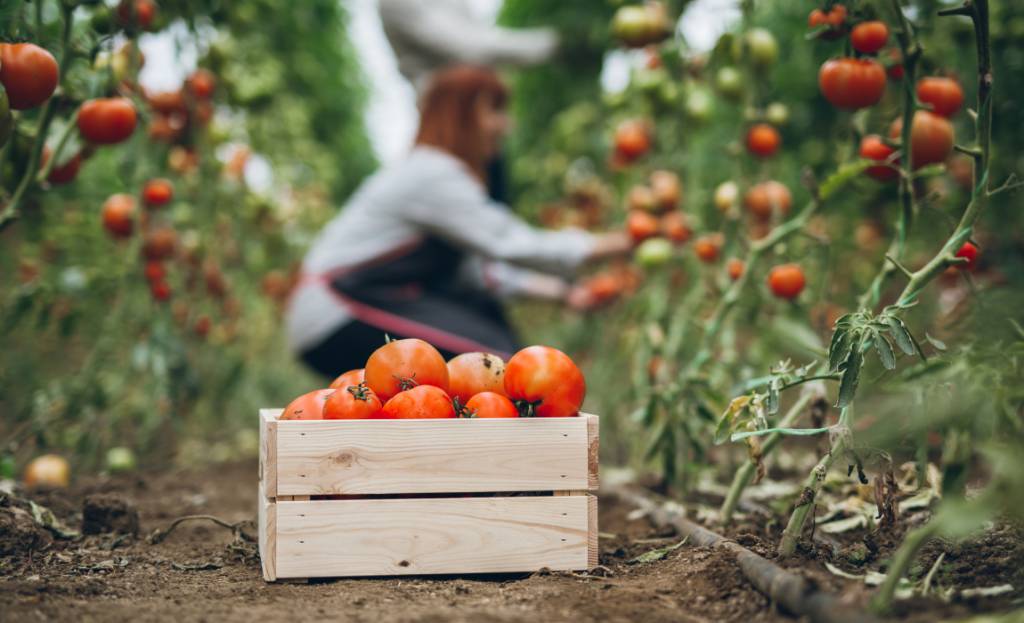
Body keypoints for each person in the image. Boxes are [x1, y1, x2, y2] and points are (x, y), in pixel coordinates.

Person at [286, 66, 630, 378]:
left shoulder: (430, 172)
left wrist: (565, 293)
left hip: (354, 304)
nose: (506, 125)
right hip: (339, 311)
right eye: (494, 110)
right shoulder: (433, 174)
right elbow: (511, 243)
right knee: (498, 368)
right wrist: (619, 241)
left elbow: (476, 273)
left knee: (494, 346)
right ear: (462, 115)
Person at [378, 0, 559, 202]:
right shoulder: (398, 3)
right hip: (450, 126)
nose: (508, 126)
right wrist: (553, 43)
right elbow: (468, 47)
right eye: (495, 111)